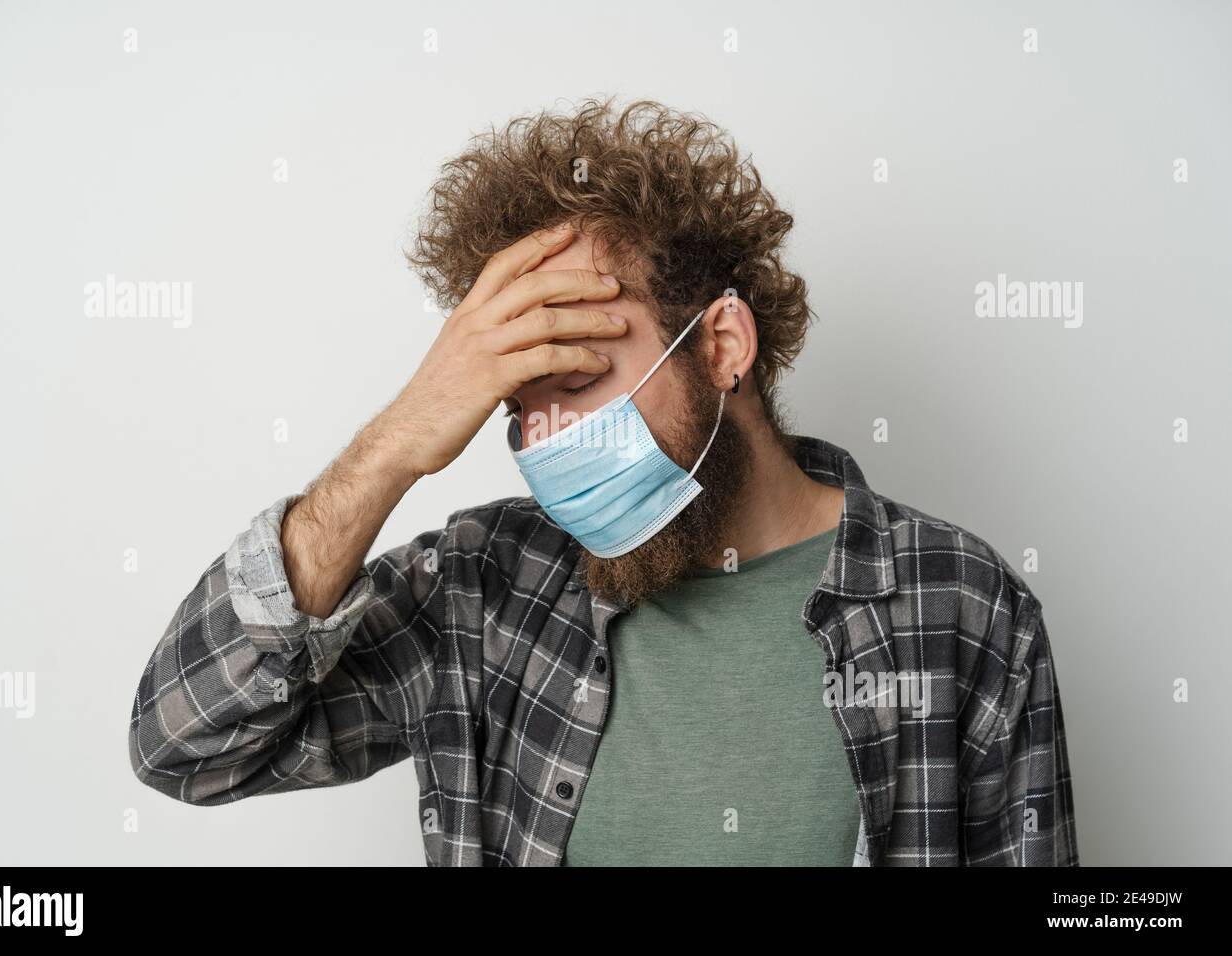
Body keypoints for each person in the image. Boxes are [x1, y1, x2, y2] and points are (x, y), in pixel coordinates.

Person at [128, 98, 1078, 866]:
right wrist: (395, 444)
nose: (547, 441)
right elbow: (186, 743)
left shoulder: (960, 607)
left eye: (579, 383)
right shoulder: (482, 592)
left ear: (722, 344)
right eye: (515, 405)